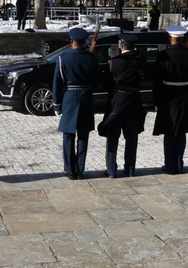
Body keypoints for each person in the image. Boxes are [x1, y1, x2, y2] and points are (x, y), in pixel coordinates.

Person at [52, 27, 101, 180]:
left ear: (71, 41)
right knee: (83, 135)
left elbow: (57, 83)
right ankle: (80, 169)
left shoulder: (63, 58)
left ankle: (69, 169)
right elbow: (97, 82)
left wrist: (56, 104)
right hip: (86, 97)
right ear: (84, 42)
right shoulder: (91, 58)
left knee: (68, 135)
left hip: (70, 97)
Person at [98, 33, 146, 178]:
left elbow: (106, 84)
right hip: (134, 101)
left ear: (121, 46)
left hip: (117, 101)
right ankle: (130, 167)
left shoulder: (114, 62)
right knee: (131, 137)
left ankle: (111, 169)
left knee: (113, 136)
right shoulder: (141, 60)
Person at [153, 25, 188, 175]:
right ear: (182, 38)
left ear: (170, 38)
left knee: (169, 132)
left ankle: (170, 165)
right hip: (184, 95)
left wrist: (156, 100)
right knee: (181, 132)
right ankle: (179, 164)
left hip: (168, 96)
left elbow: (157, 80)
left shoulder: (163, 55)